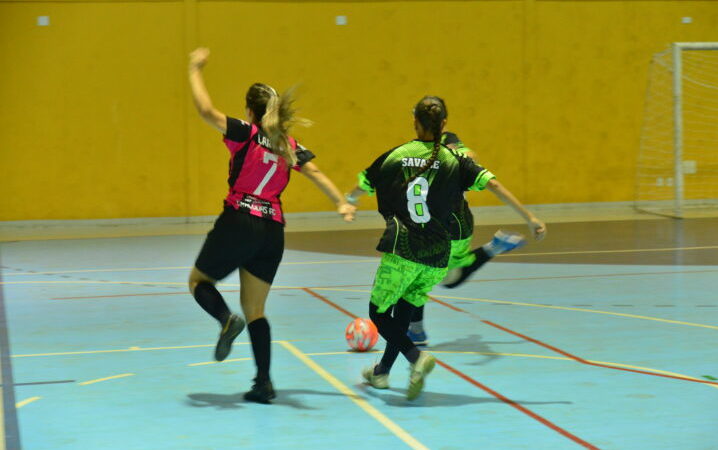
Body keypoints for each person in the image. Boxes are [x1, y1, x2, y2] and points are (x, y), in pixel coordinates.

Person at [186, 47, 355, 404]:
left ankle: (225, 319)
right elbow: (317, 173)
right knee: (257, 311)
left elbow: (205, 111)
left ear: (250, 110)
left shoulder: (245, 132)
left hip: (240, 219)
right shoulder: (287, 143)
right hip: (272, 231)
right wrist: (340, 202)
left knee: (199, 282)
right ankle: (264, 383)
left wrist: (194, 70)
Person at [348, 96, 542, 400]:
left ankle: (416, 358)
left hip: (404, 248)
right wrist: (529, 217)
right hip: (438, 254)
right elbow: (493, 184)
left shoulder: (396, 156)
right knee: (404, 310)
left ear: (414, 123)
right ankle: (382, 372)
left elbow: (366, 182)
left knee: (379, 311)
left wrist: (348, 200)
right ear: (444, 125)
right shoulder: (456, 161)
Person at [347, 131, 546, 347]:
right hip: (447, 224)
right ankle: (416, 330)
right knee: (435, 274)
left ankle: (414, 334)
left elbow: (471, 155)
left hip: (452, 226)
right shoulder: (419, 152)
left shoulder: (441, 143)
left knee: (425, 270)